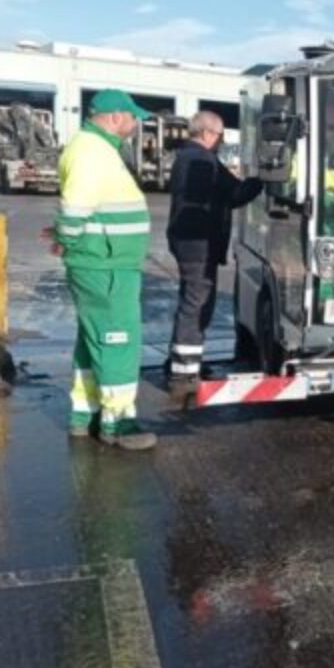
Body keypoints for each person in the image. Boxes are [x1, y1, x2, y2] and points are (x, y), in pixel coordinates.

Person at [53, 90, 156, 449]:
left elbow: (80, 211)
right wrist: (69, 240)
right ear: (115, 117)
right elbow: (76, 207)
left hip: (104, 261)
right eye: (133, 117)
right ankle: (118, 422)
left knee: (92, 339)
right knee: (118, 340)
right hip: (106, 265)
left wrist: (68, 239)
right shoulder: (91, 152)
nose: (136, 123)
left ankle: (85, 413)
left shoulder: (91, 148)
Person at [165, 111, 263, 394]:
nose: (221, 141)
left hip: (188, 241)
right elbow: (232, 195)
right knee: (197, 303)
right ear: (208, 133)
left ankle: (183, 362)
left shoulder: (188, 157)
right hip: (198, 243)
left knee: (191, 300)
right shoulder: (202, 160)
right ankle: (183, 375)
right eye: (221, 136)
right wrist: (261, 181)